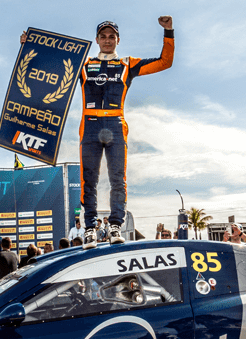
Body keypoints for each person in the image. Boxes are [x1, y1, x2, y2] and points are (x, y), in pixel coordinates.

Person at [23, 17, 174, 248]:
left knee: (118, 179)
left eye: (111, 36)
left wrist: (168, 31)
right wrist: (29, 46)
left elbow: (165, 62)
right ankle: (90, 229)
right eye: (103, 36)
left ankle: (115, 226)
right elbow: (50, 66)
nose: (107, 40)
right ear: (96, 40)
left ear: (118, 40)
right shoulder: (83, 64)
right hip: (90, 124)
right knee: (88, 180)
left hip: (116, 124)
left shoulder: (128, 64)